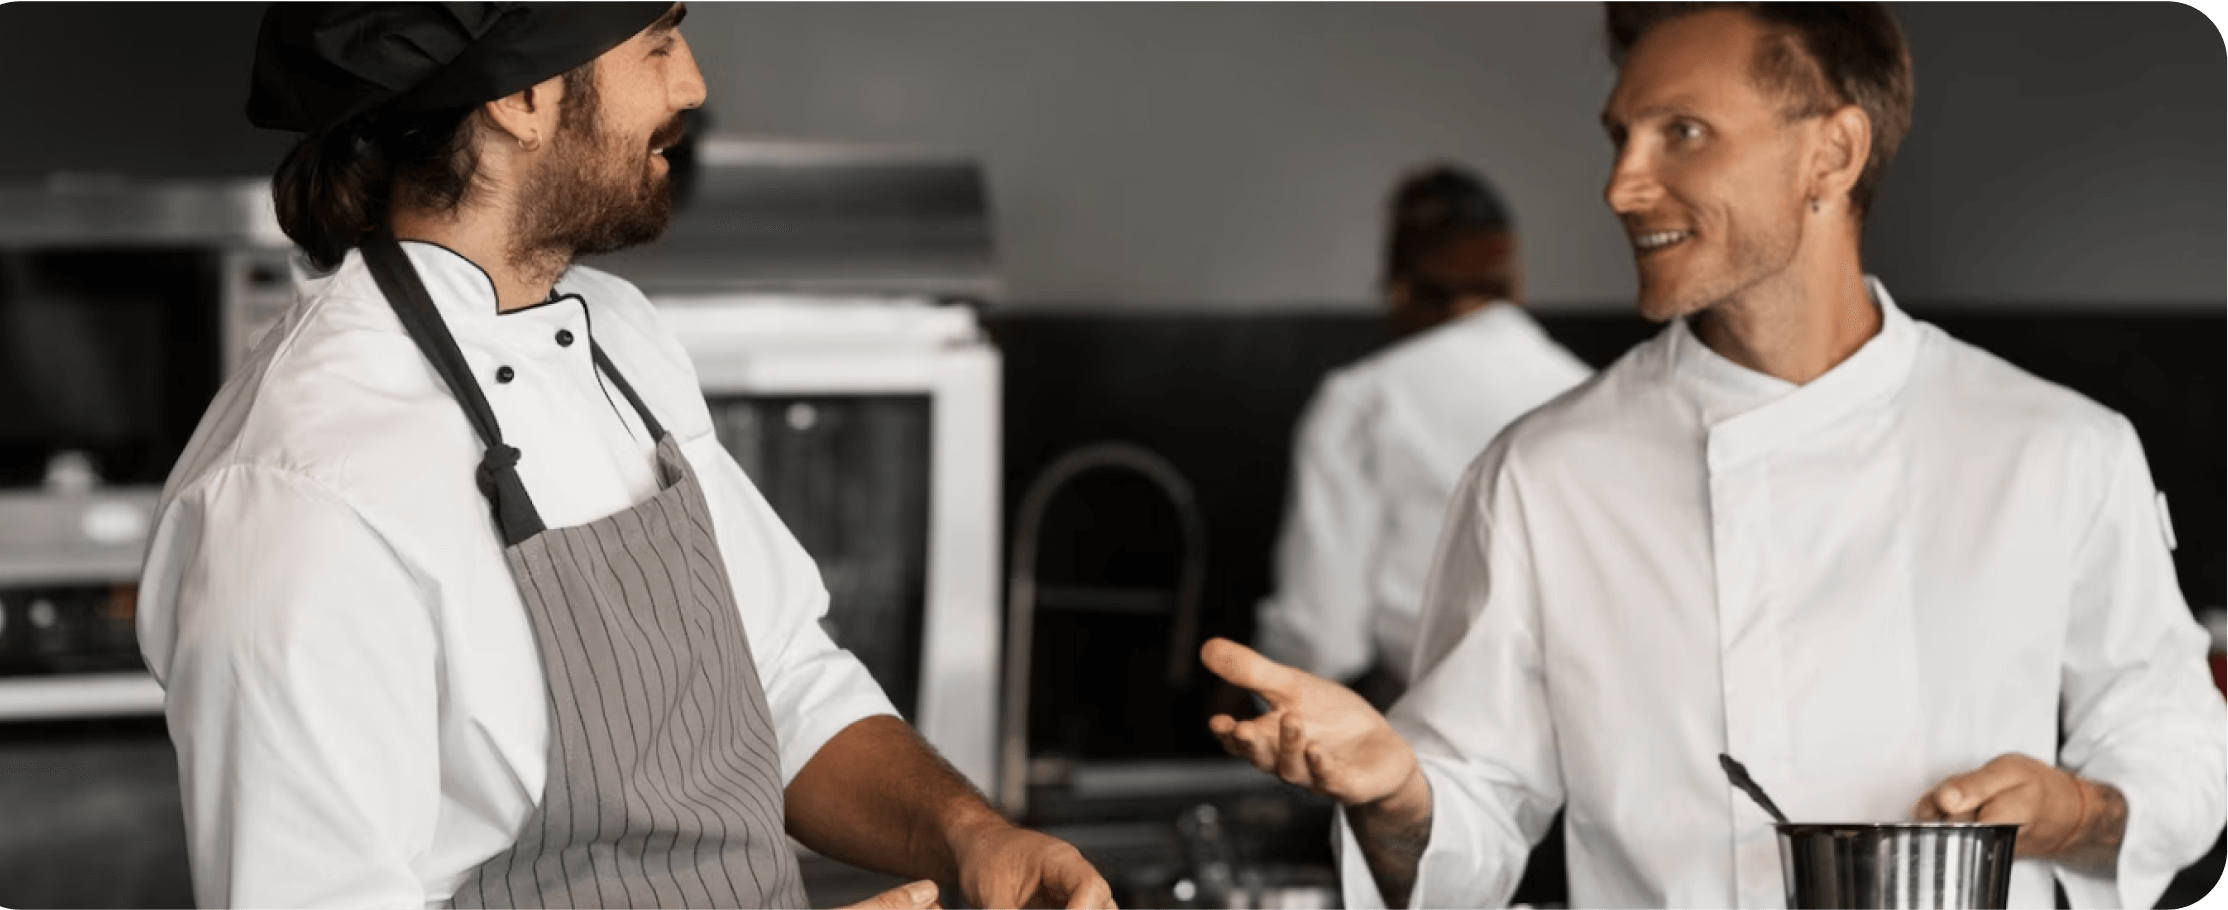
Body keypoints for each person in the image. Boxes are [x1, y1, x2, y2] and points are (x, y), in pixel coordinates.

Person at [1201, 4, 2228, 909]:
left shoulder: (2059, 447)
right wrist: (1397, 793)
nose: (1620, 185)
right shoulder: (1541, 475)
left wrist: (2076, 810)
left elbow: (2181, 746)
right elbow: (1467, 826)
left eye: (1681, 133)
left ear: (1832, 154)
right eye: (1621, 136)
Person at [133, 5, 1111, 909]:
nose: (691, 84)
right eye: (657, 41)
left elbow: (777, 678)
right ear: (521, 98)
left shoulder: (619, 336)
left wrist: (969, 835)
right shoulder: (297, 498)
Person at [1253, 165, 1590, 706]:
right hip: (1580, 721)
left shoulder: (1364, 400)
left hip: (1428, 723)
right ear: (1515, 277)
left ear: (1400, 286)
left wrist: (1255, 694)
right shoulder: (1588, 392)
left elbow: (1322, 639)